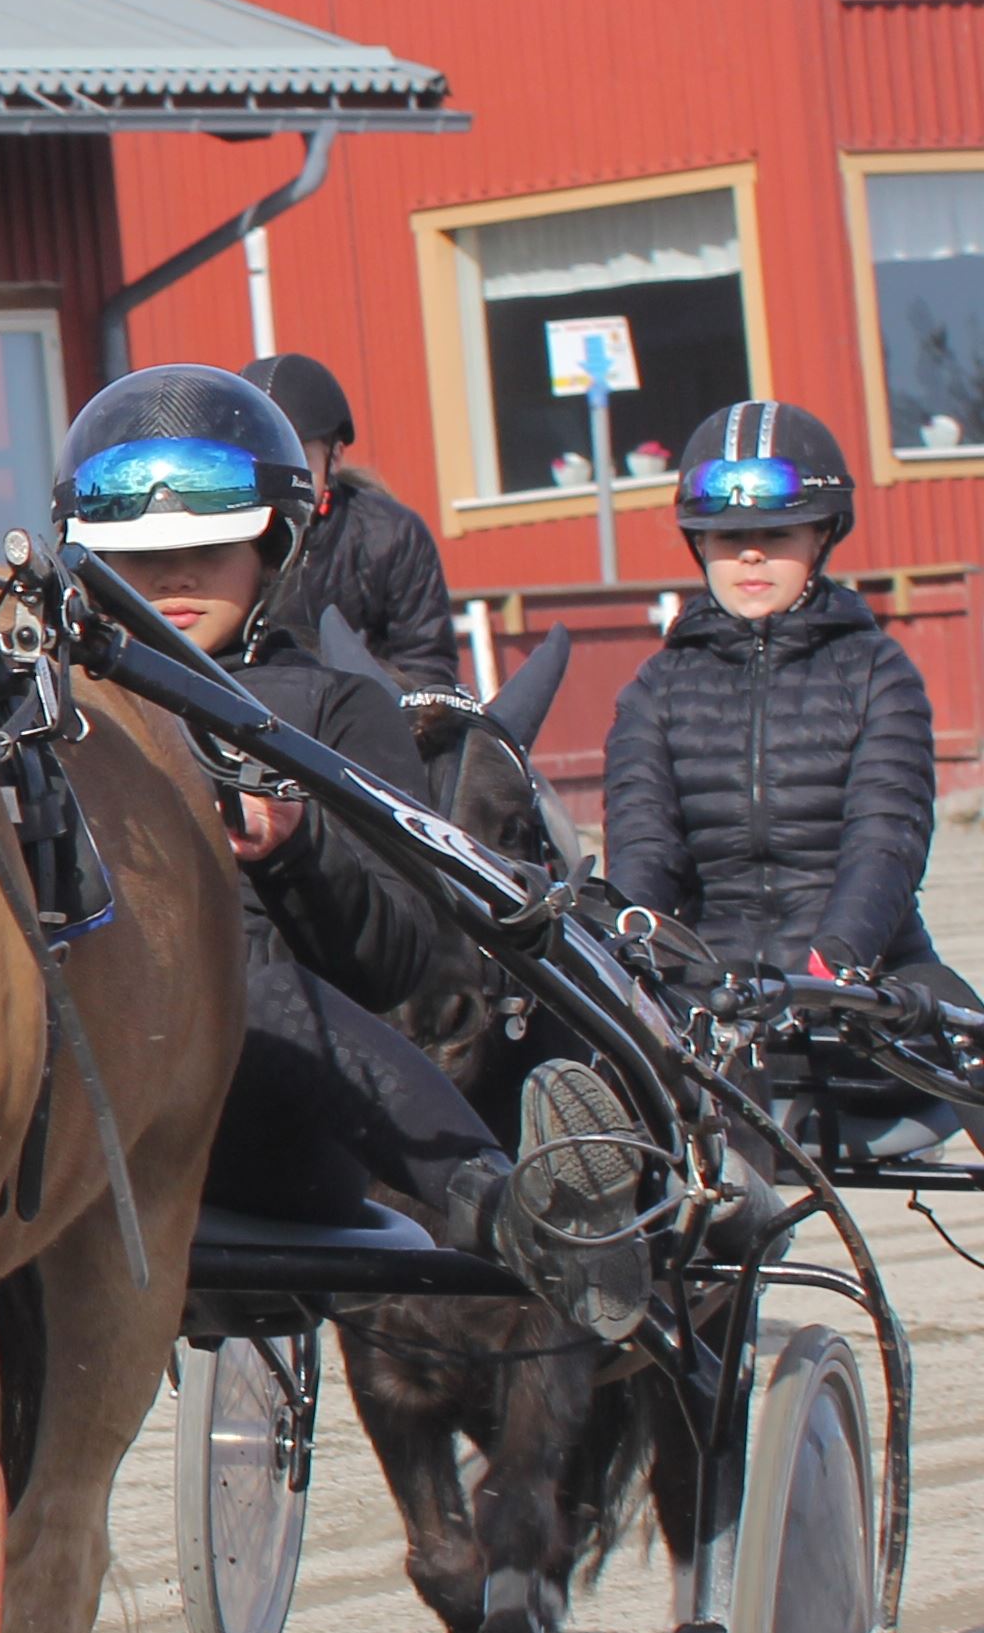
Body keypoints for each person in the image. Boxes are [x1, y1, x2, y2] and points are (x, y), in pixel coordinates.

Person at [59, 367, 646, 1329]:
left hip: (262, 1120)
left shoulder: (337, 706)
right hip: (88, 1090)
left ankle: (509, 1206)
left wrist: (295, 853)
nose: (173, 579)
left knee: (231, 977)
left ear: (274, 545)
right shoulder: (44, 699)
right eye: (141, 555)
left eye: (209, 547)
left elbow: (394, 960)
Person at [600, 401, 957, 1006]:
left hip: (865, 973)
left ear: (822, 536)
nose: (751, 556)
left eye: (776, 534)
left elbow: (885, 839)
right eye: (730, 538)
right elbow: (645, 850)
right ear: (700, 545)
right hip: (709, 982)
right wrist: (629, 954)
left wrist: (832, 965)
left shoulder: (880, 674)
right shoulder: (653, 689)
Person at [249, 350, 456, 684]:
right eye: (264, 457)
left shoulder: (392, 535)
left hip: (372, 714)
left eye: (297, 457)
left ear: (334, 458)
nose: (281, 477)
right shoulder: (230, 538)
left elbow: (425, 663)